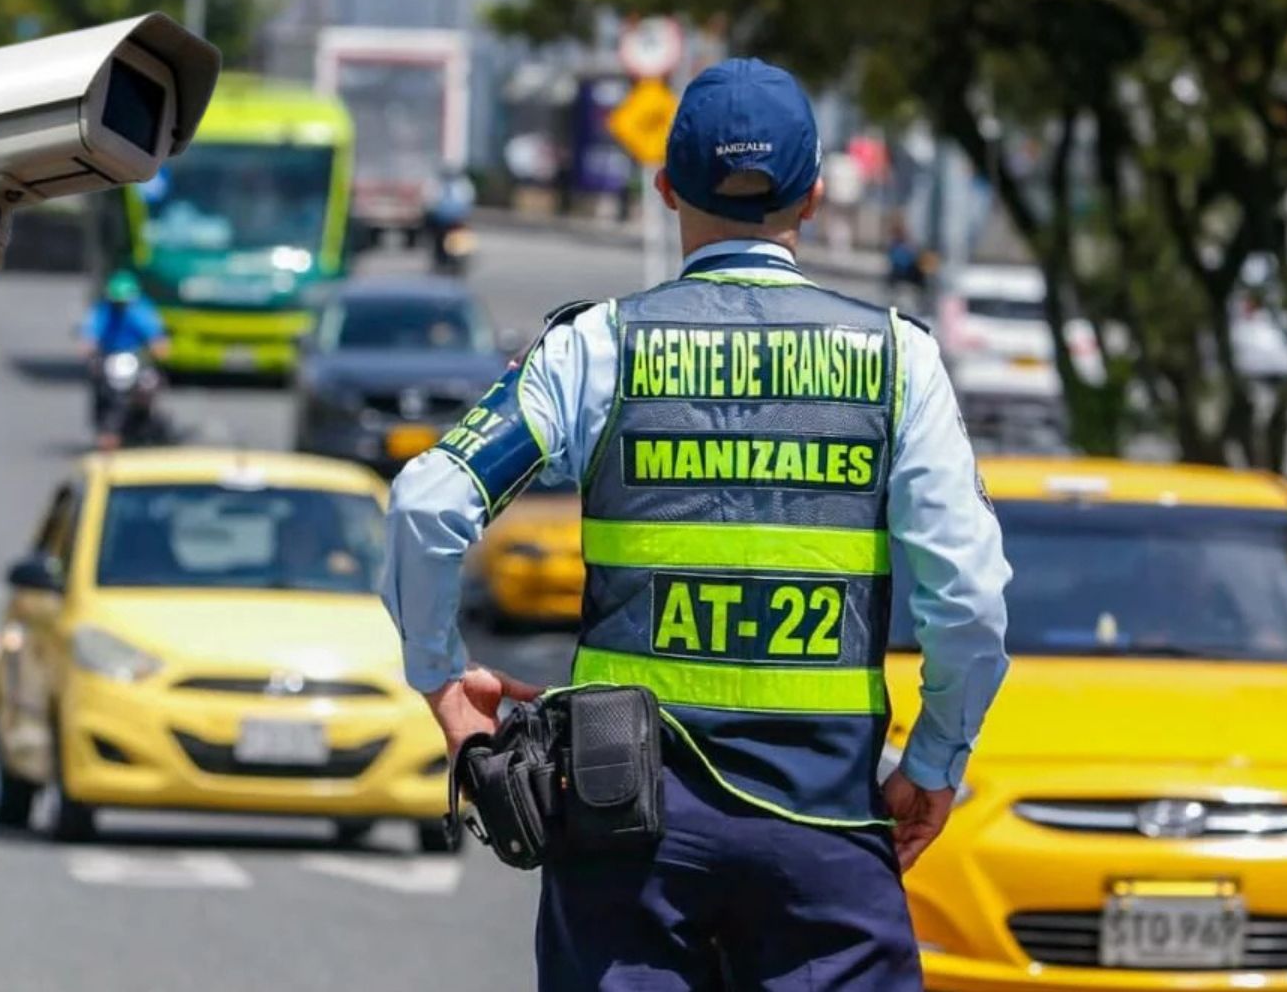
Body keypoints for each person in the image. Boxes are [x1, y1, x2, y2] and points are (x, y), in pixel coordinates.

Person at [382, 58, 1011, 990]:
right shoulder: (896, 358)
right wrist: (933, 759)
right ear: (814, 197)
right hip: (827, 830)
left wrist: (441, 676)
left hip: (624, 828)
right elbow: (970, 598)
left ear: (666, 186)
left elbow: (427, 501)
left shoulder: (596, 346)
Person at [78, 269, 169, 440]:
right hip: (110, 357)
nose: (120, 306)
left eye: (124, 302)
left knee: (149, 383)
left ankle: (145, 416)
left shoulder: (141, 309)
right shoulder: (104, 310)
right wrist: (87, 345)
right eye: (117, 302)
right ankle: (104, 425)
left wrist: (158, 347)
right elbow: (90, 331)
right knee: (99, 381)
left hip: (135, 358)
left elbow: (155, 334)